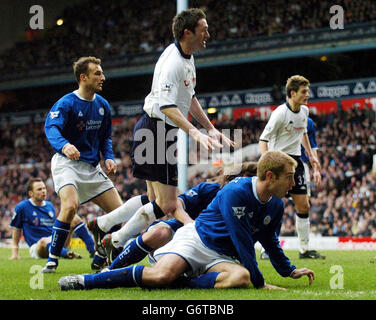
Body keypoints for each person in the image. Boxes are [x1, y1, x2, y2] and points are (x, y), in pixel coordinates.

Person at [58, 151, 315, 291]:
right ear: (270, 176)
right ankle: (87, 280)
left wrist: (289, 271)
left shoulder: (276, 204)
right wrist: (262, 285)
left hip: (221, 257)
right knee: (160, 276)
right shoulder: (234, 192)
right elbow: (243, 240)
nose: (294, 184)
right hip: (196, 241)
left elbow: (269, 239)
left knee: (240, 278)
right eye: (290, 177)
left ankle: (183, 281)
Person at [93, 8, 234, 257]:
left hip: (156, 129)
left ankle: (102, 225)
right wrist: (194, 132)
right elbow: (167, 107)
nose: (208, 35)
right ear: (187, 32)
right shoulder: (174, 63)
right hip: (158, 131)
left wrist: (210, 128)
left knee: (153, 198)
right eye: (204, 30)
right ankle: (115, 240)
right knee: (168, 203)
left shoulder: (186, 57)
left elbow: (189, 98)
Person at [43, 56, 123, 273]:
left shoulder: (103, 105)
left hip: (91, 166)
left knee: (121, 213)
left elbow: (105, 137)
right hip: (67, 163)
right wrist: (64, 145)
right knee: (70, 206)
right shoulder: (66, 103)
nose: (103, 77)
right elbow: (51, 128)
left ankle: (99, 252)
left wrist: (107, 157)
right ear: (83, 77)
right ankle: (52, 259)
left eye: (102, 72)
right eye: (97, 73)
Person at [99, 162, 258, 268]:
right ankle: (111, 269)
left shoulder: (258, 205)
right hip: (183, 235)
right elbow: (176, 204)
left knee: (235, 277)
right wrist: (190, 224)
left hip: (215, 250)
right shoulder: (210, 189)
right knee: (161, 232)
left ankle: (118, 242)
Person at [259, 75, 325, 259]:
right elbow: (263, 139)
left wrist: (311, 157)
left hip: (295, 163)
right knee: (274, 207)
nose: (308, 95)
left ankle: (304, 250)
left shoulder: (304, 111)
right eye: (304, 92)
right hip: (278, 162)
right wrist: (266, 163)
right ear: (292, 93)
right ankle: (267, 248)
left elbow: (303, 133)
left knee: (304, 206)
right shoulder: (280, 113)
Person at [9, 178, 86, 260]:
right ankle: (64, 253)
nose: (43, 191)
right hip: (38, 246)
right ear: (30, 193)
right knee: (44, 241)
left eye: (44, 188)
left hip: (54, 240)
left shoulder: (49, 205)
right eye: (39, 189)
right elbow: (16, 229)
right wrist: (15, 253)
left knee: (74, 218)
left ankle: (92, 250)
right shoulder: (22, 207)